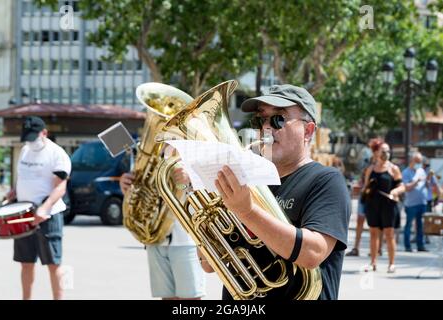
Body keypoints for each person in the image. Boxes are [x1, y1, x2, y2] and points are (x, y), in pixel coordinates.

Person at [199, 84, 351, 300]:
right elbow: (208, 264)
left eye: (278, 119)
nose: (267, 128)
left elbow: (313, 253)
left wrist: (248, 213)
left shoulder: (326, 181)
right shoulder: (247, 181)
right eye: (261, 120)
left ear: (308, 131)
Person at [119, 155, 205, 300]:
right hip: (155, 239)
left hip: (185, 239)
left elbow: (203, 191)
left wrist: (189, 181)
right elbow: (140, 188)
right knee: (167, 298)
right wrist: (126, 185)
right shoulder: (148, 151)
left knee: (190, 300)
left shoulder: (193, 150)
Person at [4, 116, 71, 300]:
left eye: (33, 136)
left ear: (44, 133)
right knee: (25, 263)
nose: (30, 140)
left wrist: (44, 208)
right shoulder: (25, 150)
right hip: (24, 214)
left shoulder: (56, 154)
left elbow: (61, 187)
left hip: (48, 216)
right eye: (27, 137)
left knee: (53, 264)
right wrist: (14, 191)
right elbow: (22, 176)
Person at [363, 140, 404, 273]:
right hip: (373, 204)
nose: (386, 153)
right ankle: (373, 262)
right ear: (377, 153)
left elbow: (401, 186)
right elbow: (365, 187)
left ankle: (391, 264)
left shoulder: (394, 168)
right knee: (373, 233)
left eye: (388, 151)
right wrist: (367, 190)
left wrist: (395, 192)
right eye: (383, 150)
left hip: (389, 205)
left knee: (389, 234)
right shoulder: (371, 169)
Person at [402, 152, 429, 252]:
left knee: (420, 226)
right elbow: (406, 188)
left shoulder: (421, 170)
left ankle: (420, 246)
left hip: (422, 203)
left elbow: (426, 185)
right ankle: (407, 246)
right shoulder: (406, 172)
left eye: (420, 161)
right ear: (412, 161)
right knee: (408, 225)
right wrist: (416, 181)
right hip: (411, 204)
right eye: (417, 161)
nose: (419, 163)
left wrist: (428, 181)